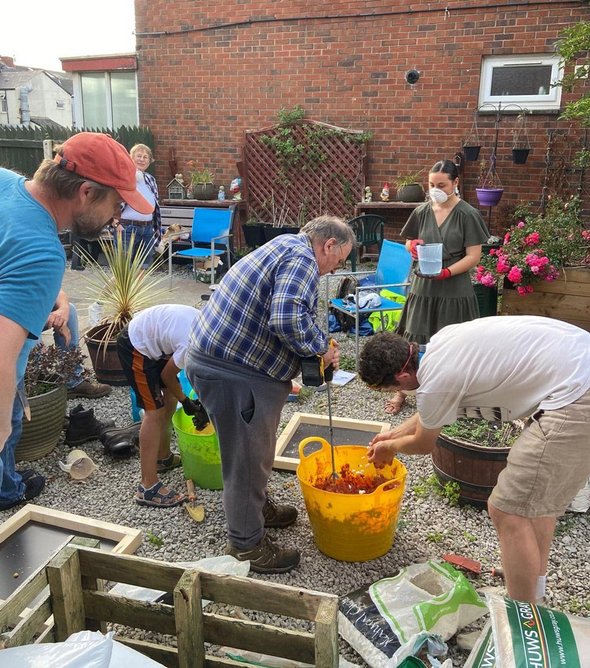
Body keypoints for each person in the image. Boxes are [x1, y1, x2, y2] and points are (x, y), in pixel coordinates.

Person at [358, 317, 590, 604]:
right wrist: (392, 434)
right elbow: (433, 412)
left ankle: (523, 619)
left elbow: (423, 442)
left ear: (402, 378)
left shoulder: (436, 382)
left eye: (390, 389)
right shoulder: (441, 344)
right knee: (535, 506)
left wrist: (390, 448)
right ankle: (534, 595)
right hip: (577, 366)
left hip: (576, 393)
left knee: (508, 509)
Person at [185, 215, 353, 574]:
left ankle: (256, 510)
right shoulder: (303, 259)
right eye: (337, 261)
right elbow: (287, 320)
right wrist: (321, 348)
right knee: (247, 459)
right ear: (328, 245)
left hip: (221, 362)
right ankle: (247, 546)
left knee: (250, 452)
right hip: (234, 372)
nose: (331, 270)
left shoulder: (285, 247)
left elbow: (285, 313)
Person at [0, 131, 153, 511]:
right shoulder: (42, 251)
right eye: (116, 202)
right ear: (85, 192)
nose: (118, 215)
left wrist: (58, 296)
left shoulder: (5, 182)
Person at [385, 159, 489, 415]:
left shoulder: (468, 214)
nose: (435, 189)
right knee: (412, 338)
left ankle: (452, 396)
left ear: (455, 183)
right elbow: (409, 243)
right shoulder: (421, 211)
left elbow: (474, 256)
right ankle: (403, 392)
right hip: (423, 286)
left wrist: (447, 272)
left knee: (454, 343)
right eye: (431, 184)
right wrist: (413, 247)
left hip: (454, 289)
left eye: (441, 184)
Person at [117, 304, 205, 508]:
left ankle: (162, 458)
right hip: (136, 345)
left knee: (169, 399)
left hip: (155, 343)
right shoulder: (193, 343)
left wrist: (185, 399)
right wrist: (186, 401)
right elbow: (168, 375)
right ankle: (147, 487)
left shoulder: (206, 329)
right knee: (154, 412)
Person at [46, 289, 112, 398]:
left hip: (32, 312)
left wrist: (63, 312)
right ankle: (36, 379)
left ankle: (72, 381)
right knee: (34, 341)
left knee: (70, 309)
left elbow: (57, 290)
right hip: (14, 321)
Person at [113, 143, 161, 268]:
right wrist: (115, 222)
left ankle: (136, 288)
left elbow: (155, 204)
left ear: (149, 161)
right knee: (123, 268)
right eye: (138, 156)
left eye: (145, 157)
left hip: (147, 229)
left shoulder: (151, 179)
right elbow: (112, 201)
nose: (142, 159)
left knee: (144, 266)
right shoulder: (123, 177)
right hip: (127, 228)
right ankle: (108, 288)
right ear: (131, 158)